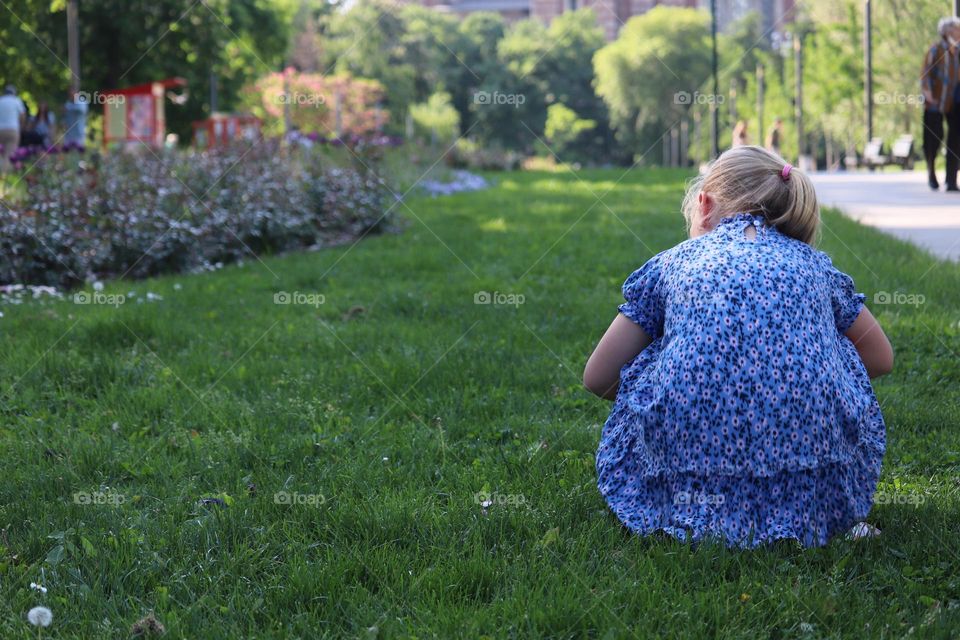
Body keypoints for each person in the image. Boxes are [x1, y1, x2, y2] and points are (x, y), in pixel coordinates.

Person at [583, 145, 893, 548]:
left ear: (705, 204)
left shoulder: (672, 264)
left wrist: (668, 384)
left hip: (686, 479)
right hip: (810, 476)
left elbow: (598, 377)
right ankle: (813, 509)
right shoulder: (817, 267)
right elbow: (880, 358)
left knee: (649, 364)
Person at [921, 16, 960, 191]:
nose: (958, 33)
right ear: (946, 33)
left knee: (955, 140)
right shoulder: (935, 50)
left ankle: (951, 180)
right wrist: (928, 95)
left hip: (953, 103)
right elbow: (925, 73)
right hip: (934, 103)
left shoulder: (957, 52)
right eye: (955, 30)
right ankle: (931, 173)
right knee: (933, 140)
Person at [0, 84, 26, 172]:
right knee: (10, 154)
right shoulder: (16, 101)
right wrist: (21, 127)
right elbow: (22, 115)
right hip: (12, 130)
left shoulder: (1, 100)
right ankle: (4, 175)